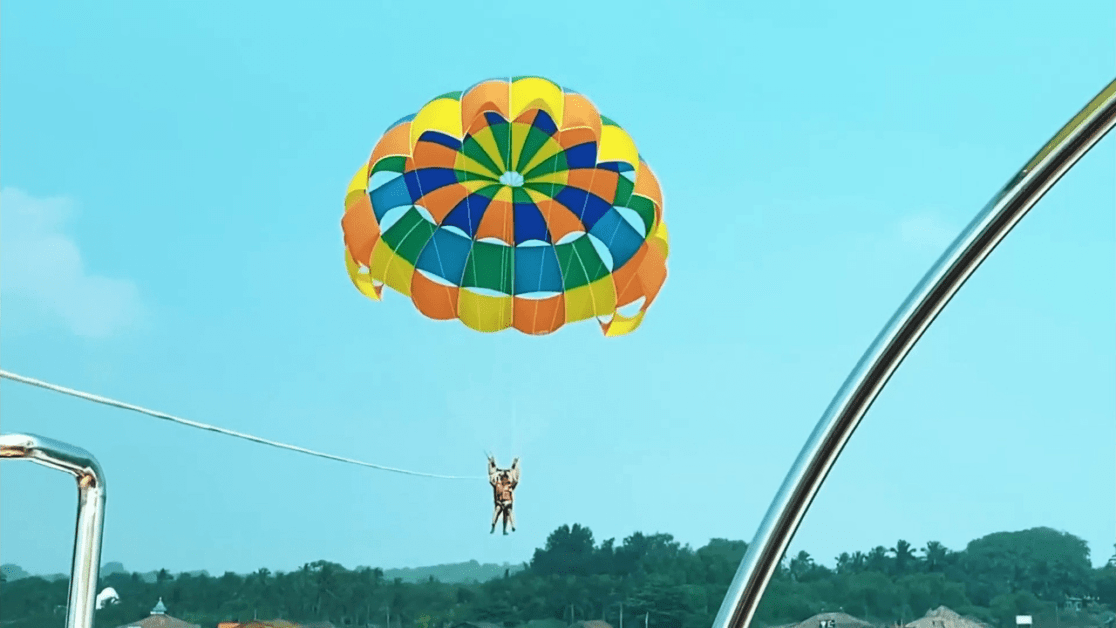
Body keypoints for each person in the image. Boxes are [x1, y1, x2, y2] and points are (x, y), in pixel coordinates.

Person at [487, 456, 519, 535]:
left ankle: (511, 526)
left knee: (508, 513)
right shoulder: (497, 484)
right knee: (497, 510)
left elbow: (515, 480)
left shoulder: (509, 486)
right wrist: (491, 463)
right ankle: (493, 524)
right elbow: (491, 478)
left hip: (507, 502)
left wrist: (514, 465)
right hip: (500, 502)